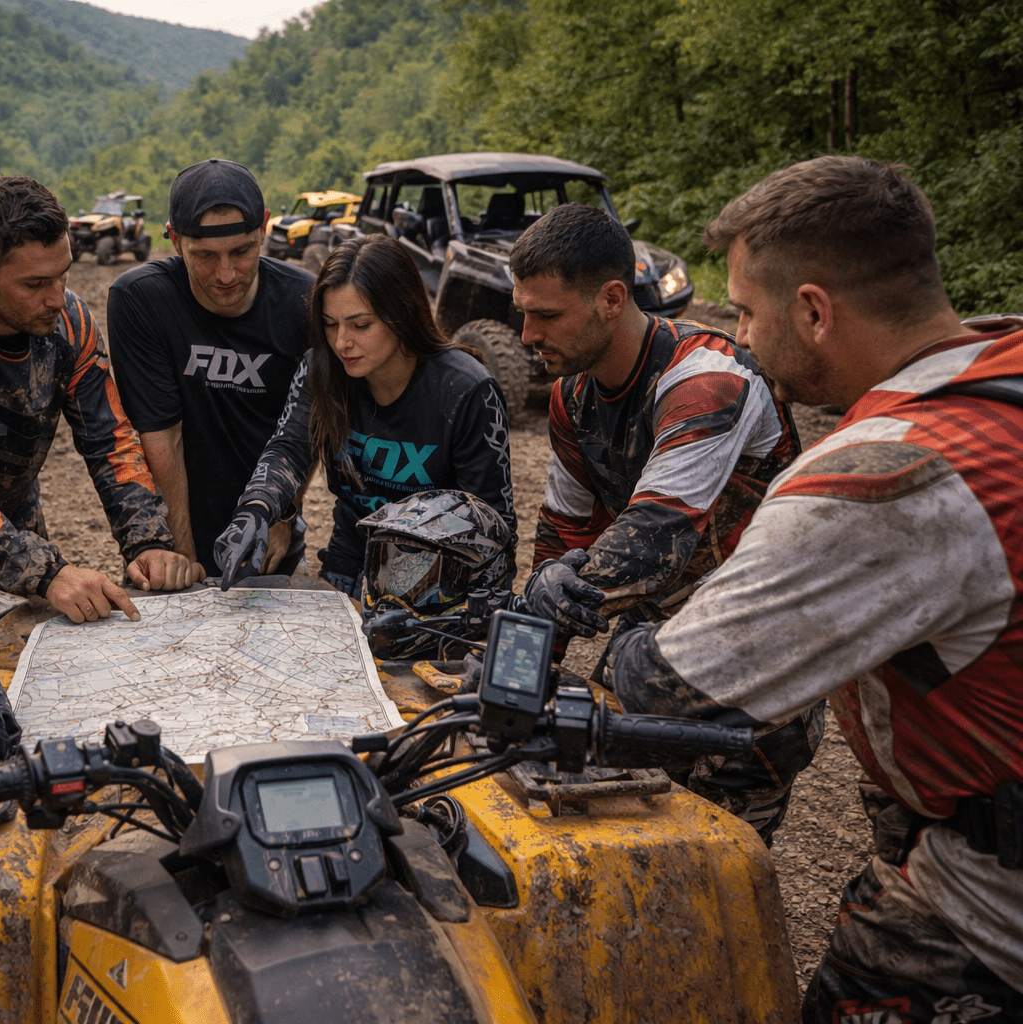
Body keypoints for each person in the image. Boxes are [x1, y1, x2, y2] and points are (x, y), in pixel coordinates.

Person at [603, 156, 1023, 1021]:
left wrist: (624, 647)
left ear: (814, 311)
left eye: (749, 313)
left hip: (992, 898)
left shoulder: (884, 476)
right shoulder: (1003, 376)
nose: (744, 337)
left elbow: (674, 684)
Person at [507, 201, 815, 843]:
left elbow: (650, 541)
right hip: (657, 638)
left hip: (758, 645)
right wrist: (523, 674)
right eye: (523, 313)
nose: (528, 335)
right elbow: (563, 532)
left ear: (612, 298)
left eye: (547, 315)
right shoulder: (573, 395)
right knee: (606, 811)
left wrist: (546, 599)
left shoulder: (708, 379)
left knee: (724, 854)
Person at [0, 175, 200, 622]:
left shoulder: (70, 323)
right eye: (35, 284)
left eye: (63, 275)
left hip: (18, 521)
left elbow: (110, 440)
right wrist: (48, 570)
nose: (57, 298)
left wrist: (147, 542)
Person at [215, 234, 516, 595]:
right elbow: (290, 448)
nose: (341, 342)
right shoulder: (321, 368)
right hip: (348, 562)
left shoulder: (467, 391)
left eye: (360, 325)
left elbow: (494, 529)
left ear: (402, 314)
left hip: (435, 584)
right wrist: (256, 508)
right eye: (329, 324)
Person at [109, 158, 315, 576]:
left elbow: (308, 427)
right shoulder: (142, 300)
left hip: (272, 530)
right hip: (178, 530)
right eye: (204, 256)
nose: (225, 274)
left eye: (242, 251)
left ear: (264, 228)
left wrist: (284, 515)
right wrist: (183, 552)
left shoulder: (304, 303)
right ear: (174, 240)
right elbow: (163, 435)